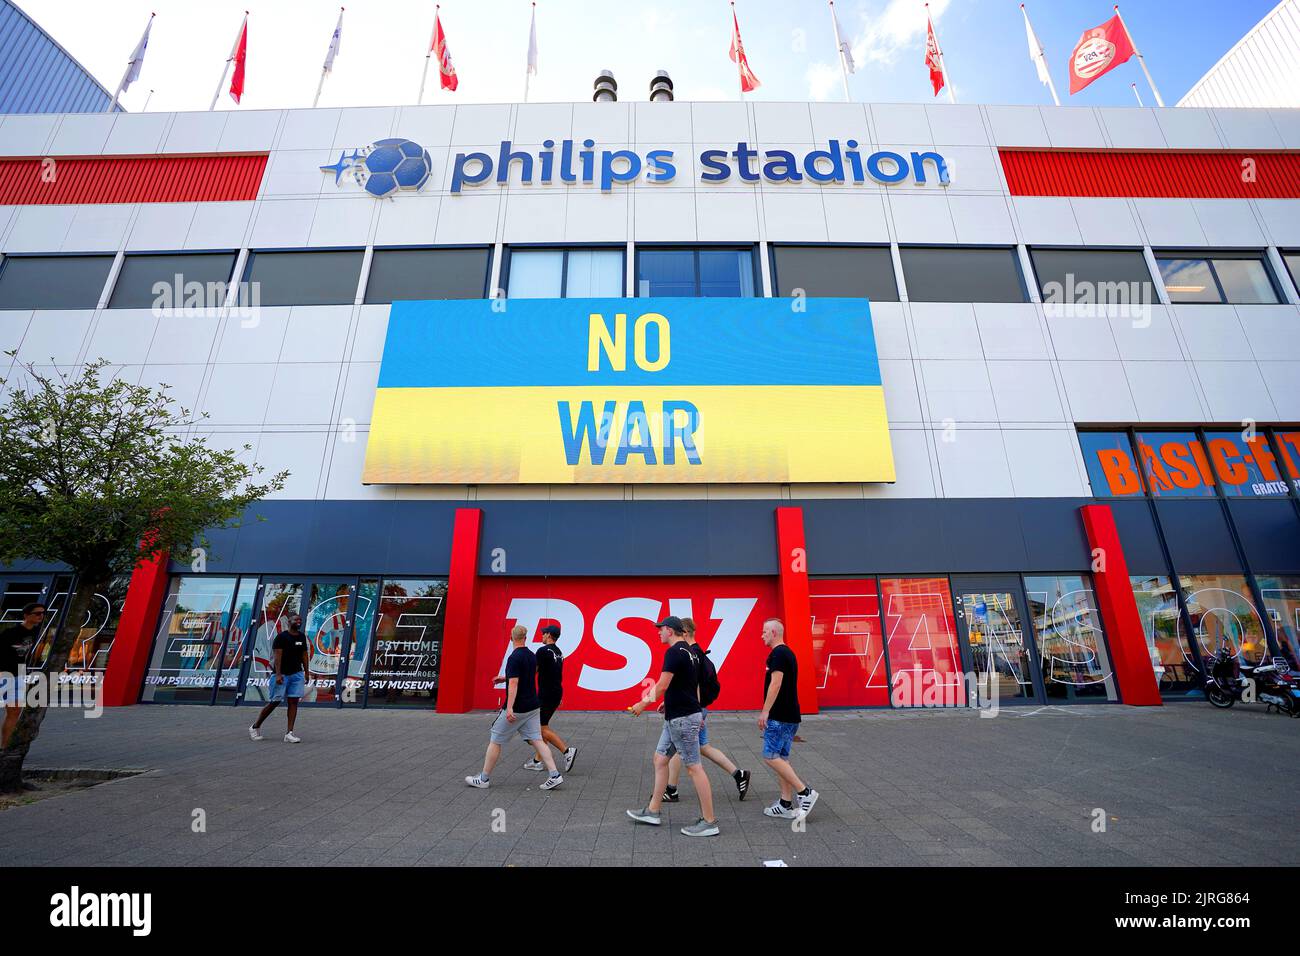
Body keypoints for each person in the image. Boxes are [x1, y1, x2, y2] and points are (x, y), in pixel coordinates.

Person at [626, 616, 719, 838]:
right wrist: (672, 704)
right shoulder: (691, 651)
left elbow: (662, 685)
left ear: (670, 630)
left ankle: (709, 821)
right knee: (660, 759)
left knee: (694, 767)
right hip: (679, 715)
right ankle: (653, 811)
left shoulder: (674, 652)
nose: (658, 633)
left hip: (683, 719)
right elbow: (689, 685)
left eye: (661, 629)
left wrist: (642, 703)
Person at [662, 617, 750, 804]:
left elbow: (696, 687)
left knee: (678, 749)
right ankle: (739, 774)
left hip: (691, 710)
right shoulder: (697, 652)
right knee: (703, 747)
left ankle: (671, 790)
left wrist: (697, 710)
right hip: (697, 709)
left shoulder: (690, 653)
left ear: (684, 633)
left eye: (679, 632)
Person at [466, 625, 562, 790]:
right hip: (533, 706)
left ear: (511, 639)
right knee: (538, 740)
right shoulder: (531, 656)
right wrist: (505, 678)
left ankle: (483, 779)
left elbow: (515, 683)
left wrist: (509, 708)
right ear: (525, 638)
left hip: (518, 708)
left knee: (495, 739)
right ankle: (555, 775)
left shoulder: (514, 658)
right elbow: (524, 677)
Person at [758, 618, 818, 820]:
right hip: (790, 715)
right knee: (781, 758)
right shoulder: (787, 653)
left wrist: (765, 711)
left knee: (770, 756)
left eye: (765, 632)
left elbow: (775, 684)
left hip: (780, 716)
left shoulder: (778, 654)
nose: (762, 635)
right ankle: (785, 803)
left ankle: (804, 792)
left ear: (774, 633)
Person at [248, 612, 310, 743]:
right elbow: (277, 657)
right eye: (295, 620)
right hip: (282, 674)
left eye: (300, 620)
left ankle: (289, 733)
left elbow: (304, 655)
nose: (298, 622)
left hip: (296, 674)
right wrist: (278, 674)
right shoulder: (281, 637)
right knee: (275, 701)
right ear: (289, 622)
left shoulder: (301, 637)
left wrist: (306, 672)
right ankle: (255, 726)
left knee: (293, 702)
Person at [524, 624, 577, 774]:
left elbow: (532, 670)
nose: (541, 636)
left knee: (541, 728)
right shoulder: (559, 652)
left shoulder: (542, 651)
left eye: (543, 634)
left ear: (548, 635)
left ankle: (567, 751)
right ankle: (537, 761)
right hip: (555, 692)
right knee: (542, 726)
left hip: (546, 694)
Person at [1, 603, 45, 748]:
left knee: (14, 711)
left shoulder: (37, 632)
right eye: (37, 613)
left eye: (42, 613)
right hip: (4, 673)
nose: (41, 616)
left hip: (18, 675)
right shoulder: (10, 633)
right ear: (26, 615)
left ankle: (5, 747)